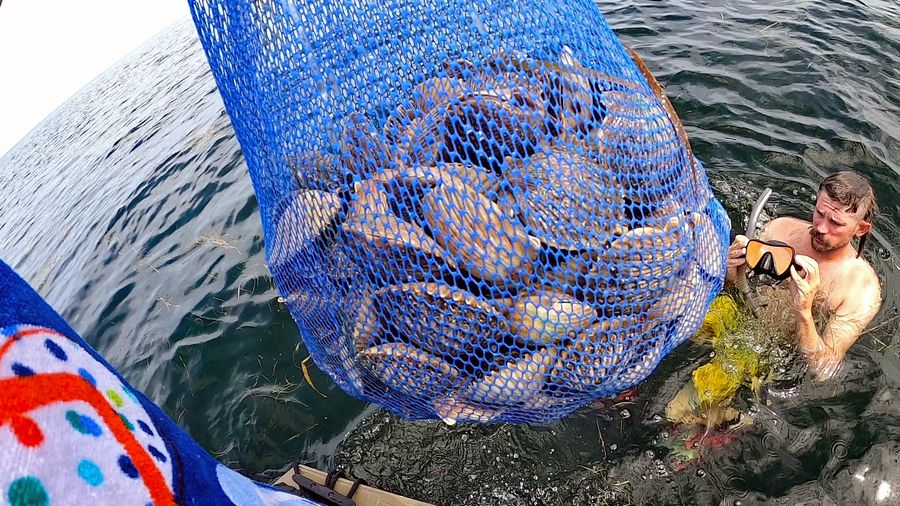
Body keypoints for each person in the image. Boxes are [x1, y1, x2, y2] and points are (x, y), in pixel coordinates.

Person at [725, 170, 882, 380]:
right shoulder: (781, 230)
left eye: (836, 223)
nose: (821, 228)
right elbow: (737, 287)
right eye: (819, 213)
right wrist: (729, 270)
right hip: (732, 314)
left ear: (860, 228)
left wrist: (804, 310)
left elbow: (823, 368)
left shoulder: (861, 290)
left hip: (770, 357)